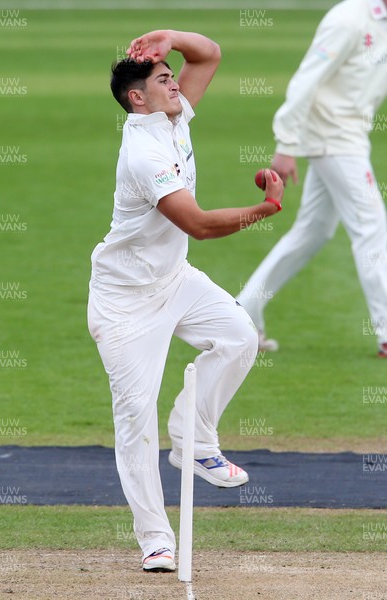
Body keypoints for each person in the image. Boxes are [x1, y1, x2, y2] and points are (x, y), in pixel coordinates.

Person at [87, 30, 284, 572]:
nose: (177, 84)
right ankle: (155, 539)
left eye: (173, 77)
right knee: (135, 420)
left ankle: (194, 438)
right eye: (164, 79)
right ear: (138, 98)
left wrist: (169, 37)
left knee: (240, 336)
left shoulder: (171, 117)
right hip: (125, 302)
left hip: (174, 279)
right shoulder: (143, 152)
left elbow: (209, 53)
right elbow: (197, 224)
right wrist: (263, 211)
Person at [237, 0, 387, 357]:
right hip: (333, 139)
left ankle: (243, 313)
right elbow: (307, 78)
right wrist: (287, 144)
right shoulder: (349, 19)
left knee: (312, 231)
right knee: (372, 227)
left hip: (349, 135)